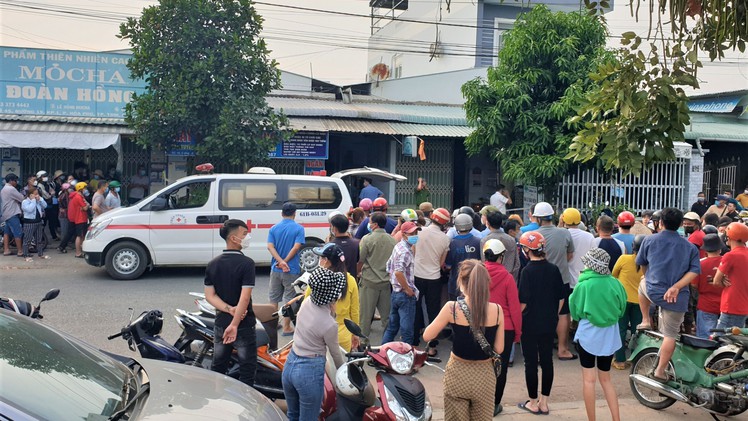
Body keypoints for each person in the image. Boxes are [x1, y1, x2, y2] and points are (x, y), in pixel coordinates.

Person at [423, 262, 504, 421]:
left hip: (458, 374)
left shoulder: (451, 308)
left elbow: (427, 335)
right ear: (486, 284)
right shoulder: (497, 310)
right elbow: (499, 349)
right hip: (484, 377)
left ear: (461, 282)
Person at [636, 207, 700, 383]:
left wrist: (648, 277)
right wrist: (676, 287)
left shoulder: (649, 240)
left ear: (661, 223)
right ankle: (660, 371)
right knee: (670, 335)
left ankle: (645, 319)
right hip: (677, 299)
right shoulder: (690, 247)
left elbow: (642, 264)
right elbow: (694, 272)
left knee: (641, 285)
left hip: (653, 291)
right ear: (681, 224)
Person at [282, 263, 346, 421]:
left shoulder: (307, 302)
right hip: (308, 373)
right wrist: (343, 373)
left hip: (290, 364)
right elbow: (336, 354)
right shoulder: (329, 324)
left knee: (293, 415)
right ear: (332, 295)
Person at [569, 248, 626, 421]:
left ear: (591, 264)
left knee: (589, 380)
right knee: (606, 379)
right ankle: (616, 419)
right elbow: (621, 309)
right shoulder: (615, 283)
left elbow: (575, 310)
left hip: (588, 335)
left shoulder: (583, 285)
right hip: (609, 335)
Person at [517, 231, 564, 415]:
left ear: (527, 250)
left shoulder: (526, 271)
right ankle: (544, 402)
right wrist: (553, 314)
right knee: (547, 362)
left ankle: (533, 402)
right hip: (549, 321)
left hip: (529, 323)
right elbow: (561, 298)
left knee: (530, 363)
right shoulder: (553, 269)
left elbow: (523, 302)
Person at [203, 219, 255, 386]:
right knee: (247, 370)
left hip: (221, 323)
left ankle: (217, 400)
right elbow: (244, 298)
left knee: (218, 367)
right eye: (244, 234)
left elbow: (210, 296)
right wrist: (235, 323)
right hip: (243, 324)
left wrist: (229, 310)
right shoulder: (247, 264)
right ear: (234, 238)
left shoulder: (212, 264)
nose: (248, 237)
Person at [534, 202, 576, 361]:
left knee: (538, 313)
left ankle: (538, 351)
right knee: (563, 314)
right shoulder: (565, 233)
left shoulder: (534, 234)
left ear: (538, 218)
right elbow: (570, 255)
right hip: (561, 279)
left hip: (539, 279)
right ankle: (563, 349)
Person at [483, 239, 521, 416]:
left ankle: (480, 402)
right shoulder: (507, 278)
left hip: (481, 326)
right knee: (501, 368)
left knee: (481, 366)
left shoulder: (477, 275)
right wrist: (518, 333)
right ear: (501, 257)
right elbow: (514, 308)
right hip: (505, 327)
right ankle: (494, 404)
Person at [302, 243, 360, 351]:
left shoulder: (317, 279)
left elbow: (306, 307)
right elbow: (355, 310)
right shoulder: (350, 280)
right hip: (343, 335)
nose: (319, 260)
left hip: (320, 334)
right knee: (341, 366)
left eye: (321, 257)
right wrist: (355, 334)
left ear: (327, 261)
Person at [413, 207, 451, 350]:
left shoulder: (419, 232)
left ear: (432, 217)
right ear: (444, 223)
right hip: (434, 278)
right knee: (433, 312)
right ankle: (432, 346)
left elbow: (414, 252)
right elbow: (442, 263)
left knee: (415, 309)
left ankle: (414, 343)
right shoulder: (445, 239)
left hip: (417, 275)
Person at [267, 202, 305, 336]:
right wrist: (285, 262)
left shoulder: (273, 228)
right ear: (294, 213)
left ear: (282, 213)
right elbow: (296, 248)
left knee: (274, 298)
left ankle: (272, 324)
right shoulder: (299, 228)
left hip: (275, 268)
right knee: (289, 298)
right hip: (291, 269)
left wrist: (280, 262)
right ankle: (286, 327)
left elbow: (270, 247)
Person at [357, 211, 397, 336]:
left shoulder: (367, 239)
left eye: (370, 223)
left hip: (369, 282)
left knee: (365, 316)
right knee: (387, 317)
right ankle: (388, 342)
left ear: (374, 224)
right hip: (386, 283)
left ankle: (363, 343)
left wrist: (359, 272)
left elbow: (361, 260)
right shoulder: (392, 240)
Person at [382, 221, 420, 344]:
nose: (415, 235)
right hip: (404, 295)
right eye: (411, 233)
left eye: (415, 232)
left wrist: (395, 284)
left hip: (395, 293)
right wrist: (407, 289)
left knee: (392, 327)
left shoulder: (398, 246)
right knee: (407, 331)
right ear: (403, 235)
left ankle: (382, 353)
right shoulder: (405, 251)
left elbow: (388, 266)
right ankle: (406, 358)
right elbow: (398, 272)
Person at [611, 235, 645, 370]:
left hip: (622, 300)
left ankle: (620, 360)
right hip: (641, 301)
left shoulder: (624, 259)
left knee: (621, 330)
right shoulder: (648, 263)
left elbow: (613, 274)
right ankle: (636, 359)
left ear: (633, 247)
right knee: (637, 331)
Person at [713, 222, 748, 331]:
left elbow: (715, 281)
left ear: (729, 237)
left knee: (721, 341)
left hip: (731, 305)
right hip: (743, 305)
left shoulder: (730, 256)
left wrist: (720, 276)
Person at [691, 234, 725, 339]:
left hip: (706, 304)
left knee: (705, 340)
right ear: (720, 249)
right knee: (725, 340)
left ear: (705, 250)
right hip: (726, 305)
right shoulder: (726, 262)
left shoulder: (699, 264)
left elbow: (694, 284)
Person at [446, 214, 482, 300]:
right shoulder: (478, 242)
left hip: (456, 284)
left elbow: (448, 265)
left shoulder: (452, 243)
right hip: (474, 282)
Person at [481, 210, 520, 282]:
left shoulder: (484, 241)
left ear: (488, 223)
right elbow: (517, 263)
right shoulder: (511, 240)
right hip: (508, 278)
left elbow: (484, 262)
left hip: (491, 280)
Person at [562, 208, 597, 288]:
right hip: (585, 281)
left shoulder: (563, 235)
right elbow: (594, 258)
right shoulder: (589, 236)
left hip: (568, 281)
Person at [57, 182, 90, 258]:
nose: (85, 189)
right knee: (80, 236)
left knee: (72, 233)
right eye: (84, 188)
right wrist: (87, 206)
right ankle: (78, 253)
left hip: (75, 218)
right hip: (80, 218)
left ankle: (62, 246)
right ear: (81, 189)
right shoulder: (78, 197)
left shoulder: (74, 195)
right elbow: (85, 207)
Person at [21, 187, 48, 261]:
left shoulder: (38, 200)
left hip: (38, 222)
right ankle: (26, 255)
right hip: (29, 222)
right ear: (30, 194)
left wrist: (40, 199)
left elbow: (45, 206)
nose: (37, 195)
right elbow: (30, 209)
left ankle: (40, 254)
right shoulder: (25, 202)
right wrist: (33, 200)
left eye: (37, 194)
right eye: (35, 194)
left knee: (39, 239)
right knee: (27, 240)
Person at [2, 174, 24, 257]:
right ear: (11, 181)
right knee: (17, 232)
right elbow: (21, 198)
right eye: (15, 180)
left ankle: (6, 249)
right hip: (12, 213)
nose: (16, 182)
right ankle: (20, 251)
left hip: (6, 213)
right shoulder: (11, 189)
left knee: (7, 232)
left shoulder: (4, 188)